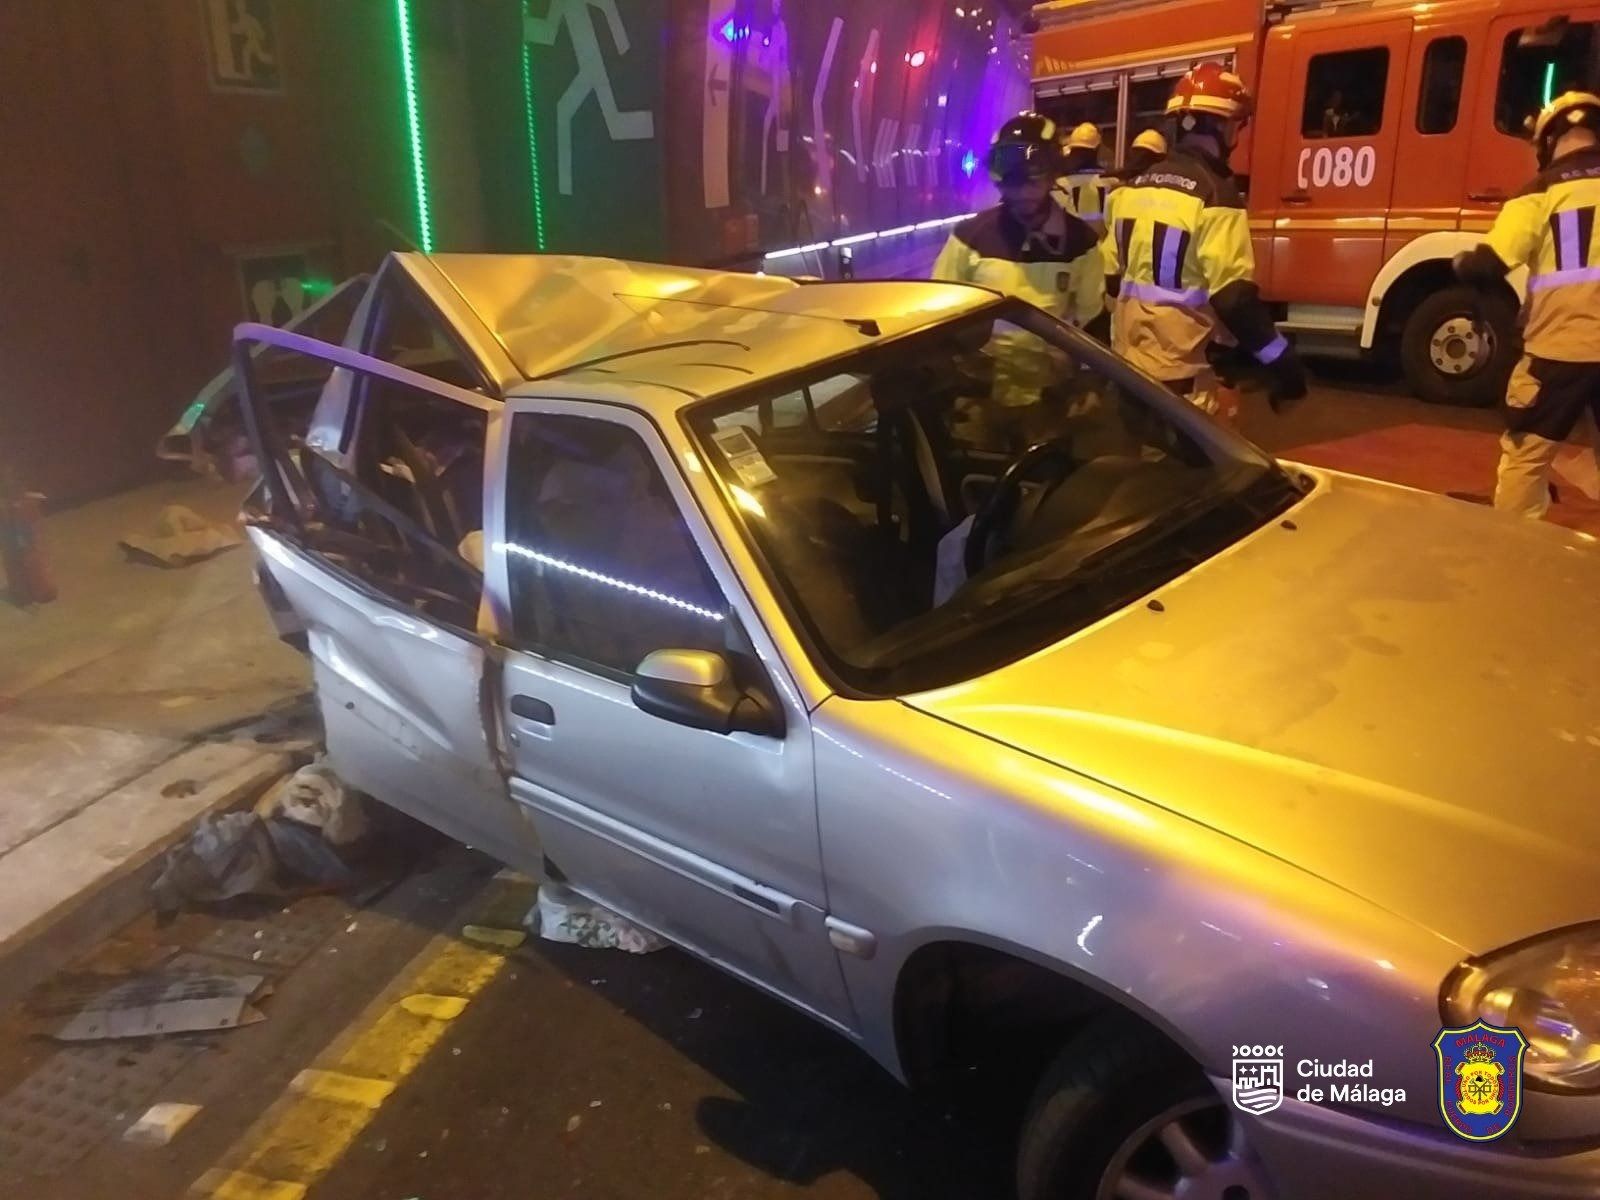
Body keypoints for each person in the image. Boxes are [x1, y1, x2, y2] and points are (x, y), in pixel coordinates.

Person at [1100, 63, 1307, 416]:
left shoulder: (1131, 189)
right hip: (1183, 391)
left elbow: (1111, 279)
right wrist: (1285, 366)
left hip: (1129, 377)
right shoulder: (1216, 197)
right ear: (1224, 127)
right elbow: (1235, 300)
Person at [1455, 91, 1600, 519]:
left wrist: (1463, 263)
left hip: (1560, 349)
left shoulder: (1539, 192)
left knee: (1526, 456)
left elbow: (1491, 262)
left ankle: (1514, 542)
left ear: (1549, 141)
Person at [1054, 122, 1112, 235]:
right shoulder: (1111, 183)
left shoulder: (1060, 184)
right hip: (1102, 244)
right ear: (1097, 150)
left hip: (1071, 244)